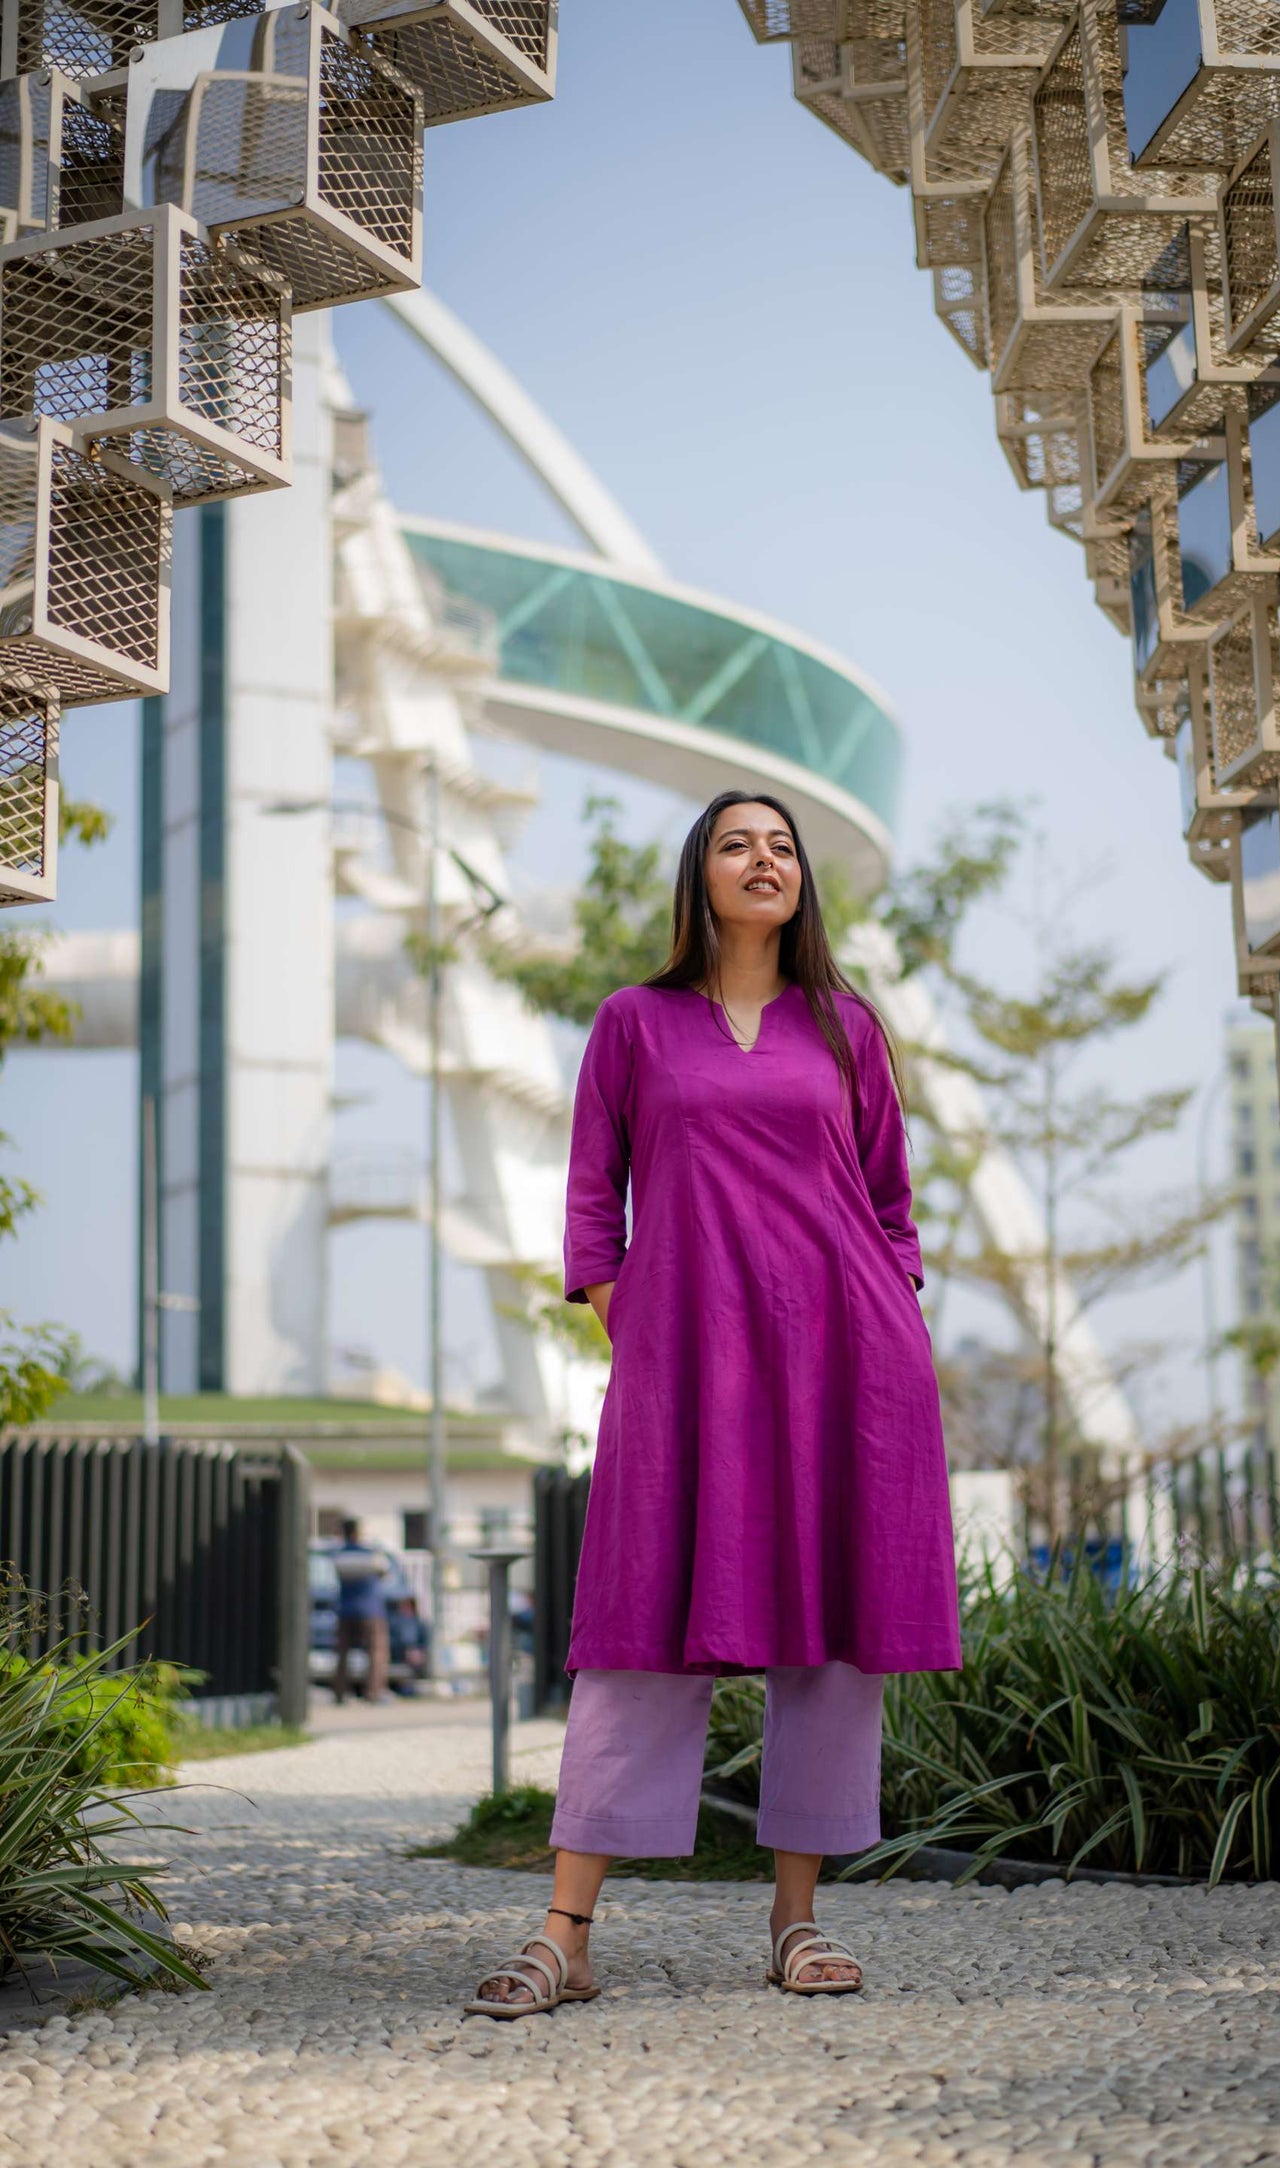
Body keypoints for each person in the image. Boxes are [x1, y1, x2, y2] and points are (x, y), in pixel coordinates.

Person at [467, 792, 960, 2019]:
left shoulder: (847, 1028)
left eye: (782, 845)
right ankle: (565, 1933)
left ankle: (796, 1921)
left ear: (802, 882)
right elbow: (593, 1208)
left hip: (846, 1357)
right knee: (637, 1615)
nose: (763, 859)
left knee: (832, 1633)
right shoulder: (634, 1023)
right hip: (684, 1361)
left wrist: (886, 1309)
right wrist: (636, 1329)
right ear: (699, 875)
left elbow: (892, 1203)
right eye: (737, 842)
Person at [331, 1519, 390, 1705]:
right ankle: (373, 1693)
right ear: (359, 1532)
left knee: (342, 1653)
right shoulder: (372, 1555)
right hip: (371, 1610)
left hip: (345, 1610)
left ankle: (340, 1693)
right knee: (376, 1652)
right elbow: (384, 1572)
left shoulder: (338, 1556)